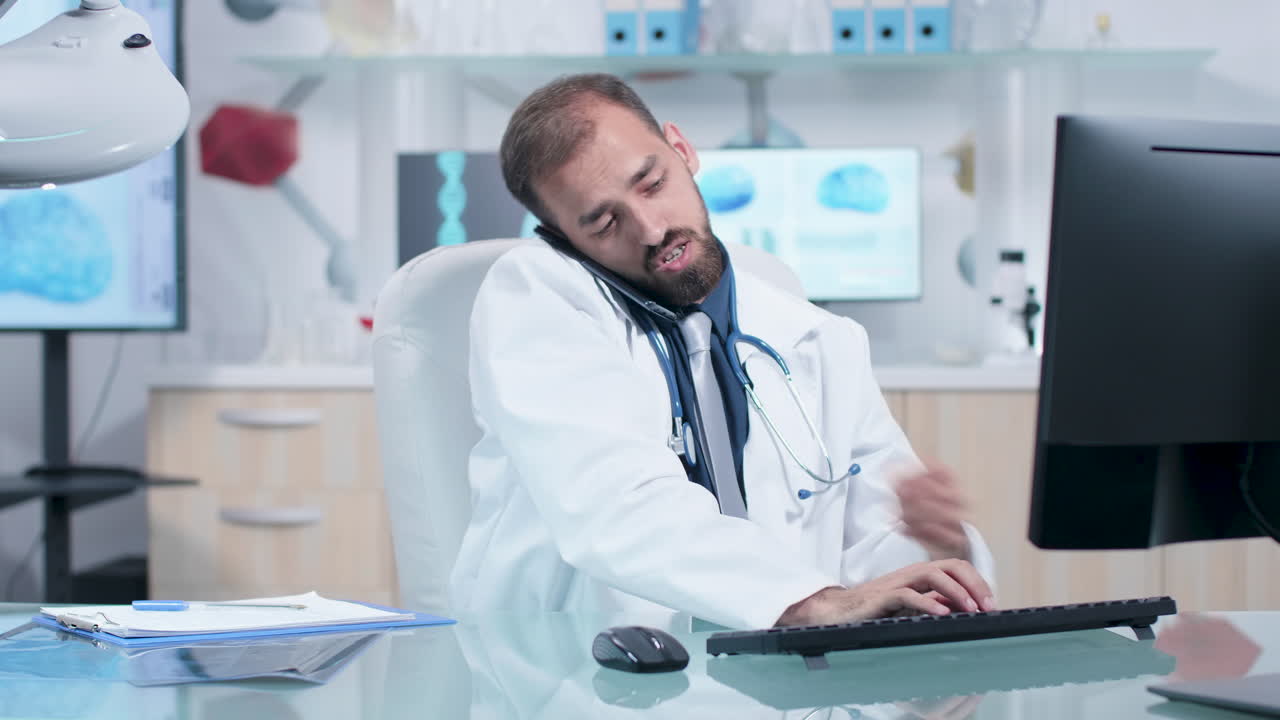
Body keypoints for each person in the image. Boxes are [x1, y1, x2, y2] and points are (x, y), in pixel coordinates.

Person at [450, 73, 996, 630]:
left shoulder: (823, 342)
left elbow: (877, 563)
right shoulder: (537, 297)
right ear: (561, 238)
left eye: (652, 183)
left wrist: (937, 545)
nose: (652, 229)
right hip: (579, 680)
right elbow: (617, 507)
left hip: (789, 691)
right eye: (605, 222)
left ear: (683, 150)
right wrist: (808, 602)